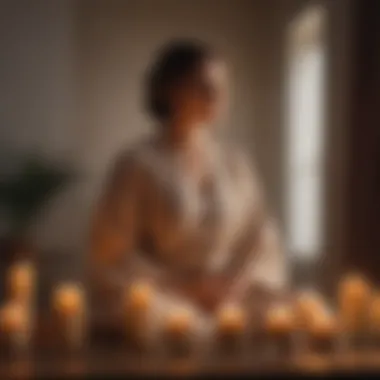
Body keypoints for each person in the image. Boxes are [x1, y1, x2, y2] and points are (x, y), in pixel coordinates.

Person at [89, 39, 288, 334]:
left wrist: (234, 284)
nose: (216, 96)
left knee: (287, 315)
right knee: (169, 323)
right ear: (170, 90)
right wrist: (187, 288)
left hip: (230, 292)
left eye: (222, 87)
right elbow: (112, 253)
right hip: (166, 294)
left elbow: (260, 238)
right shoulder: (137, 164)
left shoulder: (236, 163)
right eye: (203, 86)